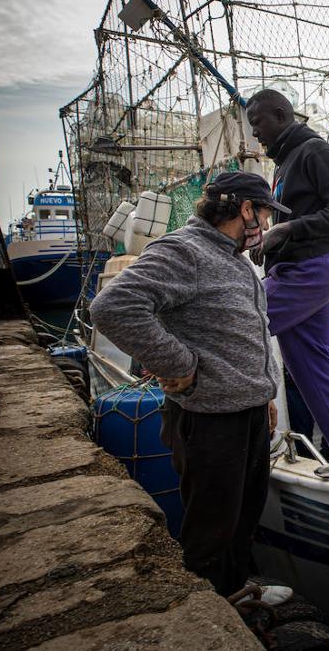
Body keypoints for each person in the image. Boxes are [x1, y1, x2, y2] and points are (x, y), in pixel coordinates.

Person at [89, 171, 291, 606]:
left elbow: (246, 332)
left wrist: (266, 393)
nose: (266, 225)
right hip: (210, 418)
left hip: (247, 410)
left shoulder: (233, 257)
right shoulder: (185, 250)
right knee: (212, 525)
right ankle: (210, 613)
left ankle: (238, 592)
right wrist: (179, 364)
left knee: (243, 513)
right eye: (265, 213)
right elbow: (113, 307)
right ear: (244, 209)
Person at [245, 88, 329, 477]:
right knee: (310, 365)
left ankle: (237, 434)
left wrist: (286, 229)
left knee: (240, 323)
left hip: (310, 269)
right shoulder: (285, 162)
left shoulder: (314, 152)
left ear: (281, 114)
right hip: (306, 269)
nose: (256, 133)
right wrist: (269, 235)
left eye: (259, 123)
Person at [284, 298, 329, 462]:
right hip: (298, 383)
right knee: (302, 425)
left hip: (328, 382)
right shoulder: (306, 321)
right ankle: (305, 460)